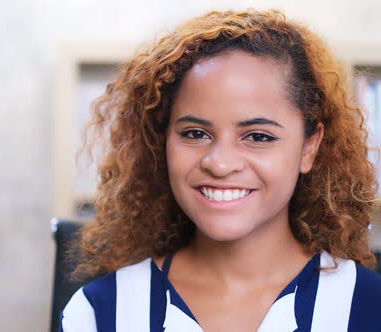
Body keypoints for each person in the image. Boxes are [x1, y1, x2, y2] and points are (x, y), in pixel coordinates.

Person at [59, 9, 381, 332]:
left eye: (258, 136)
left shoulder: (369, 306)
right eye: (195, 133)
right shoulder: (97, 314)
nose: (220, 163)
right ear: (163, 140)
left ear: (309, 147)